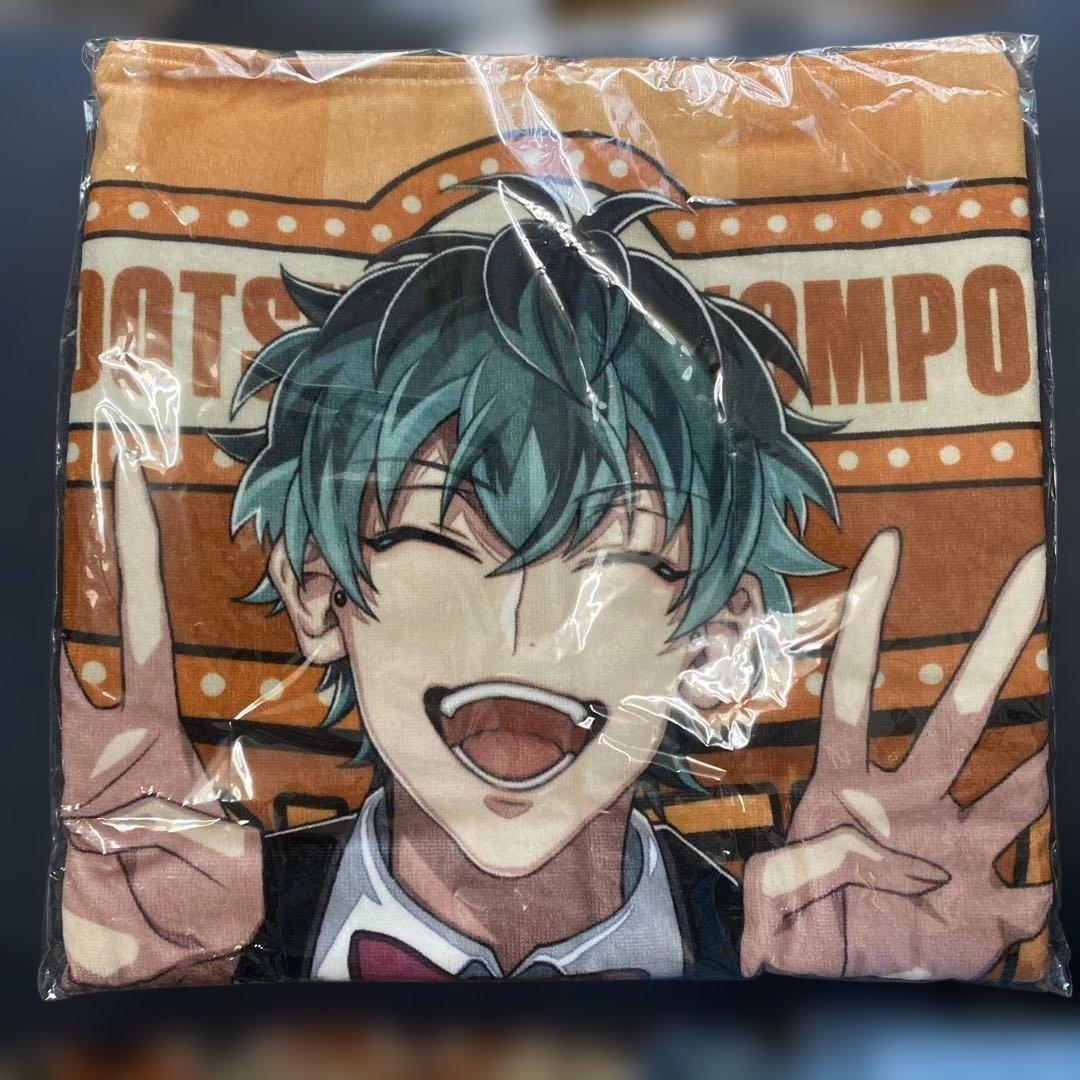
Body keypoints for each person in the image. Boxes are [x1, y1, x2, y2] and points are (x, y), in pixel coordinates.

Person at [57, 178, 1052, 986]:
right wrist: (176, 975)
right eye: (443, 539)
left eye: (613, 559)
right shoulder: (210, 916)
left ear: (720, 633)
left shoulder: (781, 941)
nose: (527, 626)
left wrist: (877, 991)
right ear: (319, 592)